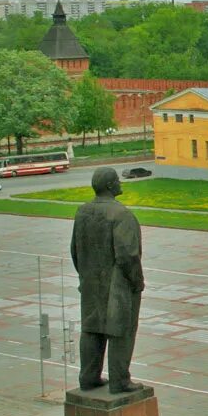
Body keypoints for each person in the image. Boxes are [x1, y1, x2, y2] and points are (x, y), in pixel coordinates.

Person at [70, 167, 145, 394]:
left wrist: (85, 275)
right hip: (118, 286)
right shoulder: (121, 215)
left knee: (92, 329)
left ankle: (89, 377)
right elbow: (127, 256)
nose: (120, 184)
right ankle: (120, 380)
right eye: (118, 181)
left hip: (91, 284)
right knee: (120, 331)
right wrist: (137, 282)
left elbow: (75, 250)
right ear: (112, 186)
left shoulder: (82, 212)